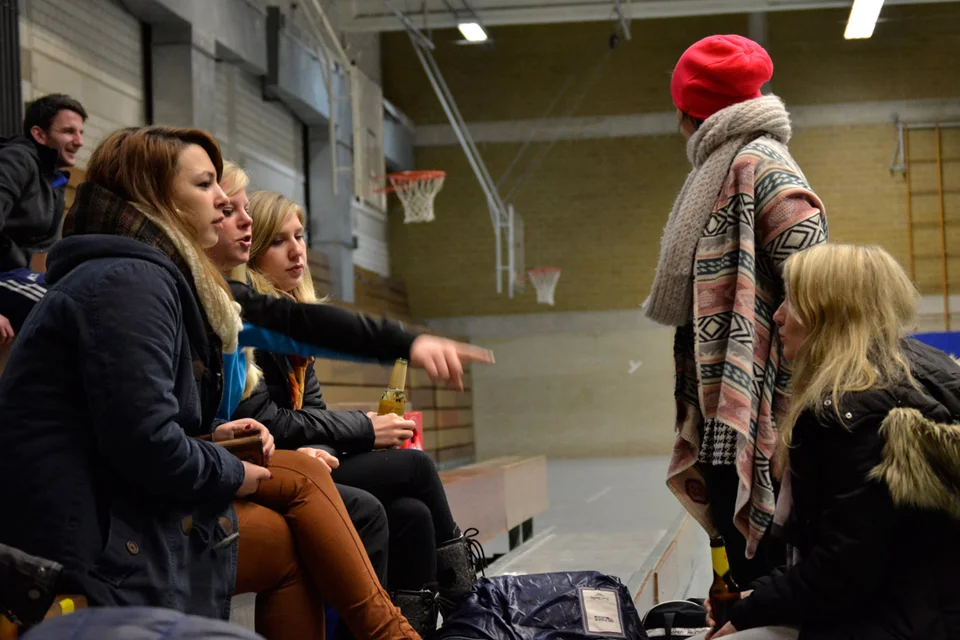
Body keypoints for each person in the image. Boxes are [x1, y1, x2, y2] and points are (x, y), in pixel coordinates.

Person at [0, 126, 422, 640]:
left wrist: (216, 442)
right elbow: (144, 445)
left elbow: (131, 427)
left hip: (117, 507)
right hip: (92, 536)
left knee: (309, 523)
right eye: (204, 186)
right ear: (157, 199)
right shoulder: (130, 282)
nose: (223, 201)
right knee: (303, 521)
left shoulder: (142, 275)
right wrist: (227, 466)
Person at [229, 189, 480, 632]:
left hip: (306, 461)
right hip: (269, 468)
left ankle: (424, 628)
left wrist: (326, 444)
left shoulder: (294, 317)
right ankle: (471, 604)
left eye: (301, 236)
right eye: (278, 241)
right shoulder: (253, 322)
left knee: (412, 515)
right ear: (252, 255)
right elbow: (270, 420)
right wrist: (364, 428)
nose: (296, 251)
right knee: (416, 468)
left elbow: (314, 415)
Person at [695, 244, 960, 640]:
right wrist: (764, 593)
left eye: (792, 303)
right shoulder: (925, 372)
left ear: (831, 313)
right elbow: (858, 545)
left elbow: (846, 569)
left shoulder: (851, 408)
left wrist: (754, 608)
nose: (779, 316)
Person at [643, 34, 827, 584]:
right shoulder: (725, 169)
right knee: (741, 553)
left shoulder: (761, 166)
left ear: (689, 112)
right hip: (729, 402)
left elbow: (819, 290)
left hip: (759, 409)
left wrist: (788, 410)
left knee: (763, 561)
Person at [0, 94, 87, 341]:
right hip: (4, 278)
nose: (79, 141)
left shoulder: (54, 178)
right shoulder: (15, 160)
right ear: (39, 134)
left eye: (81, 132)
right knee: (71, 312)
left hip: (17, 275)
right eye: (69, 131)